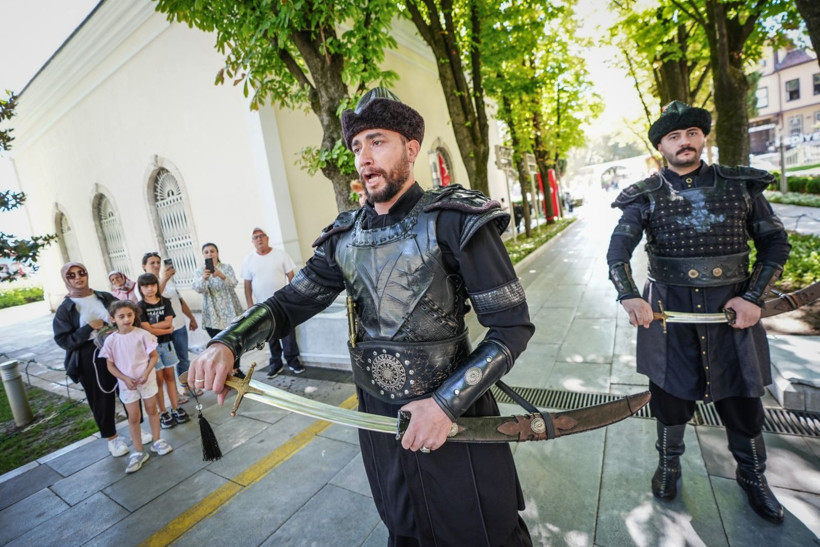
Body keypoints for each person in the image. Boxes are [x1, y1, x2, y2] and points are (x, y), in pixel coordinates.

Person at [189, 88, 535, 545]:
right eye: (357, 147)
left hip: (456, 413)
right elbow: (289, 302)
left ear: (411, 149)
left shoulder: (454, 219)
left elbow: (511, 327)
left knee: (483, 530)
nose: (364, 158)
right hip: (378, 418)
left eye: (377, 141)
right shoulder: (343, 238)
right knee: (404, 526)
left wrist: (445, 403)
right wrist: (227, 341)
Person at [606, 101, 791, 524]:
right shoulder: (645, 195)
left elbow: (775, 245)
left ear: (702, 137)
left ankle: (753, 476)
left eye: (691, 133)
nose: (684, 142)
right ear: (661, 147)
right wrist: (630, 296)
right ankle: (669, 464)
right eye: (674, 137)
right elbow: (618, 253)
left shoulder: (742, 186)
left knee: (744, 399)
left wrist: (753, 298)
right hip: (672, 314)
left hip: (734, 309)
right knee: (670, 397)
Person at [52, 262, 130, 457]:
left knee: (128, 390)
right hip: (89, 357)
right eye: (71, 275)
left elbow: (125, 314)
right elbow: (63, 341)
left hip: (117, 348)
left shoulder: (104, 296)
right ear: (65, 280)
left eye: (81, 273)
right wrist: (88, 328)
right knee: (100, 397)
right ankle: (112, 439)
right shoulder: (66, 308)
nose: (78, 278)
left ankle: (136, 427)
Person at [99, 300, 173, 473]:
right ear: (113, 319)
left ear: (135, 316)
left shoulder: (142, 334)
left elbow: (153, 357)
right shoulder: (111, 341)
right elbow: (110, 366)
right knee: (133, 416)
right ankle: (139, 451)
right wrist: (124, 378)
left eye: (129, 315)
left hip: (146, 380)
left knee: (152, 409)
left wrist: (147, 373)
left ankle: (157, 441)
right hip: (126, 385)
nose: (126, 319)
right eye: (121, 316)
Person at [240, 227, 304, 377]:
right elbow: (247, 285)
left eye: (261, 236)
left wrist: (295, 297)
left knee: (288, 333)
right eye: (255, 237)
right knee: (270, 335)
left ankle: (293, 360)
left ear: (267, 238)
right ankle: (276, 363)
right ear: (252, 242)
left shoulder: (280, 255)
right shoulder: (248, 260)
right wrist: (250, 305)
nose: (259, 239)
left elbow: (291, 277)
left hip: (283, 303)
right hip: (263, 306)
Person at [141, 252, 201, 397]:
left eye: (158, 262)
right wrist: (164, 280)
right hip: (161, 331)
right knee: (167, 365)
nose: (156, 265)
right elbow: (154, 298)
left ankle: (186, 386)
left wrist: (191, 318)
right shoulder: (144, 284)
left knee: (184, 358)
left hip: (179, 326)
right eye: (152, 263)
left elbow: (180, 301)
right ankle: (175, 395)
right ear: (144, 266)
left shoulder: (167, 280)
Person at [136, 273, 190, 429]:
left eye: (152, 285)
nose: (150, 289)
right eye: (145, 286)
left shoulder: (165, 302)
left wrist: (154, 328)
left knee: (170, 376)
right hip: (152, 348)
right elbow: (146, 329)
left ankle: (175, 407)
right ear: (140, 288)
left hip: (167, 345)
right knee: (158, 380)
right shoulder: (140, 306)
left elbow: (169, 321)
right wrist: (164, 330)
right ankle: (163, 411)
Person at [191, 242, 245, 378]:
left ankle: (236, 369)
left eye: (212, 251)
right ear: (204, 255)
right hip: (212, 314)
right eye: (206, 252)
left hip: (230, 311)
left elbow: (233, 284)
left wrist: (221, 275)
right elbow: (198, 289)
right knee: (219, 345)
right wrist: (204, 277)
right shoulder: (199, 271)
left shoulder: (226, 268)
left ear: (217, 253)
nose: (210, 254)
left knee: (234, 342)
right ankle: (224, 371)